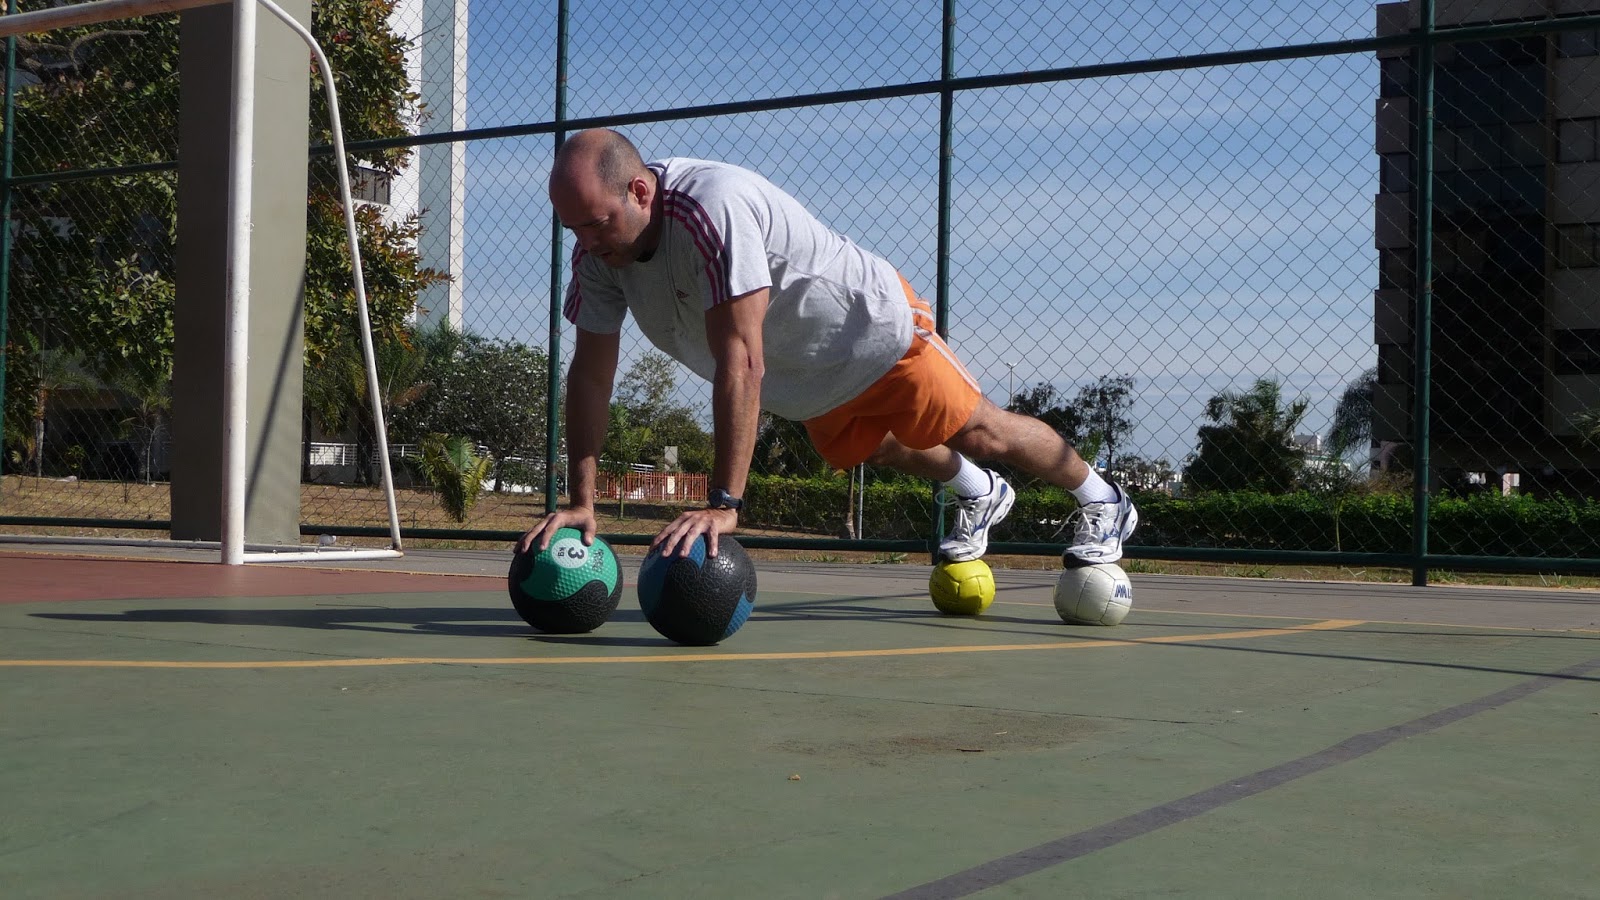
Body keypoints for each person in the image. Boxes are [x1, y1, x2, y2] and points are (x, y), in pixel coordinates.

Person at [517, 128, 1137, 565]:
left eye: (596, 223)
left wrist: (724, 504)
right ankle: (979, 491)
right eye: (573, 228)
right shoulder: (598, 255)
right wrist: (581, 499)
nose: (587, 242)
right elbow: (591, 376)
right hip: (802, 379)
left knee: (980, 430)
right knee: (890, 449)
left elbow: (741, 358)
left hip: (873, 332)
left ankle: (1103, 499)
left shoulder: (712, 207)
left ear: (640, 192)